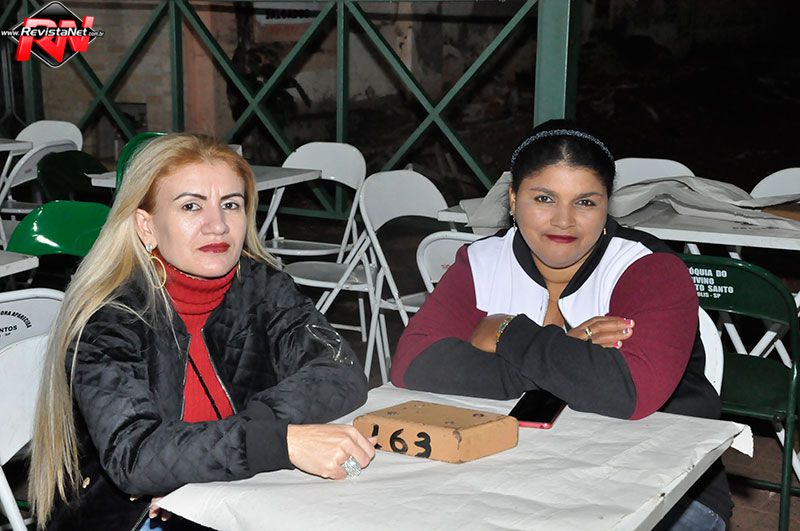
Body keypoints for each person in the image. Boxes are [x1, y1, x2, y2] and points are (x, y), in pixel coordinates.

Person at [390, 120, 731, 529]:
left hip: (663, 485)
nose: (563, 221)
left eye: (585, 202)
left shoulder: (648, 269)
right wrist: (566, 353)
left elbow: (627, 393)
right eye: (544, 198)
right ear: (513, 199)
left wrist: (507, 332)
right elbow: (412, 364)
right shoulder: (481, 262)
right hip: (519, 472)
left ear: (607, 205)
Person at [29, 134, 374, 530]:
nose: (218, 225)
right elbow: (136, 456)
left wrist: (258, 431)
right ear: (146, 226)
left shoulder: (262, 287)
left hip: (237, 496)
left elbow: (340, 370)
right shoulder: (109, 319)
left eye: (231, 204)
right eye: (191, 206)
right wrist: (279, 442)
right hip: (127, 519)